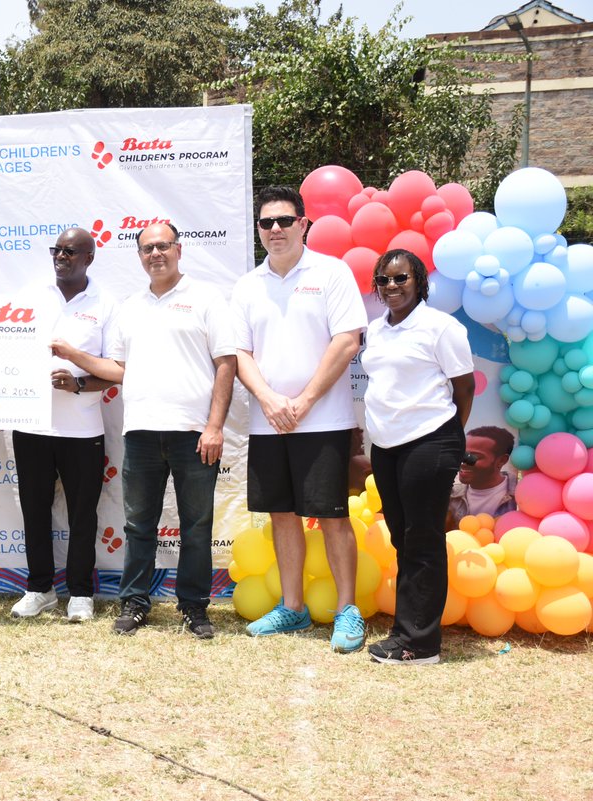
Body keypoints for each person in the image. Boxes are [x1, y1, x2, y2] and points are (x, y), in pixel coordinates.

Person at [53, 222, 236, 636]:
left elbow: (227, 363)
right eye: (147, 248)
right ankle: (135, 602)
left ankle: (194, 607)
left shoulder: (206, 298)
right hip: (140, 434)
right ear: (138, 256)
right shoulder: (130, 306)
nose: (156, 254)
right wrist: (72, 354)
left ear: (179, 249)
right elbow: (116, 370)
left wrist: (214, 427)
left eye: (163, 246)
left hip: (194, 434)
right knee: (138, 526)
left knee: (196, 526)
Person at [231, 185, 368, 653]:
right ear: (258, 230)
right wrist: (269, 399)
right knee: (282, 515)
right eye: (266, 223)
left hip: (323, 421)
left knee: (331, 516)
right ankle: (293, 608)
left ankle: (348, 610)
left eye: (284, 221)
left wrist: (305, 400)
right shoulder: (248, 285)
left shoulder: (331, 273)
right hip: (268, 421)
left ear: (303, 224)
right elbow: (240, 352)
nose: (275, 230)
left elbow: (347, 341)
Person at [362, 249, 474, 664]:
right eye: (385, 280)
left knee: (423, 540)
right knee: (402, 538)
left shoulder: (440, 328)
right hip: (387, 447)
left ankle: (421, 644)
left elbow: (464, 389)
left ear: (419, 281)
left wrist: (452, 439)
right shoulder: (376, 330)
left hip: (430, 441)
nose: (392, 286)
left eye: (401, 278)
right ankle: (405, 631)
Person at [9, 228, 118, 623]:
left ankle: (81, 593)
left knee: (82, 515)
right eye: (56, 250)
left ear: (89, 257)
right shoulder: (31, 296)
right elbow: (5, 354)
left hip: (83, 430)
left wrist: (79, 384)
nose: (61, 256)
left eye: (70, 251)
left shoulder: (106, 304)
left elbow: (117, 371)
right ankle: (39, 588)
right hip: (32, 427)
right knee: (34, 511)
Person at [448, 426, 518, 525]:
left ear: (501, 460)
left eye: (474, 457)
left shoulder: (521, 495)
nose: (463, 462)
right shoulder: (450, 494)